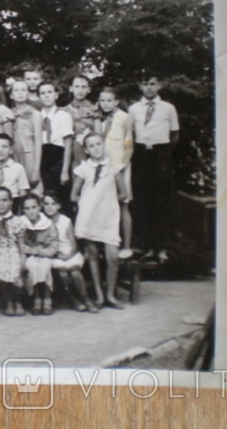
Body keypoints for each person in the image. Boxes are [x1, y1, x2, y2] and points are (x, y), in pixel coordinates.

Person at [71, 132, 128, 309]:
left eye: (98, 144)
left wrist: (108, 202)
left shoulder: (113, 166)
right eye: (91, 146)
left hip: (108, 217)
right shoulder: (83, 168)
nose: (96, 148)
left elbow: (124, 193)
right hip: (89, 217)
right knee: (93, 255)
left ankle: (111, 294)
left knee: (112, 257)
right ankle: (99, 295)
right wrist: (89, 202)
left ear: (104, 145)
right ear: (86, 150)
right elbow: (74, 195)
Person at [128, 74, 179, 263]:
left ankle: (161, 248)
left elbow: (175, 135)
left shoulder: (168, 108)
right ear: (140, 87)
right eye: (145, 84)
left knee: (161, 201)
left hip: (161, 154)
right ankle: (146, 246)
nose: (149, 88)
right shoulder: (133, 109)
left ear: (159, 85)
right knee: (143, 200)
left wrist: (162, 152)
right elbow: (130, 134)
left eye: (152, 84)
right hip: (141, 155)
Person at [43, 191, 97, 313]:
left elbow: (74, 244)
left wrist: (69, 255)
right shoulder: (43, 222)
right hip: (55, 255)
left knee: (75, 274)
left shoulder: (65, 221)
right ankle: (72, 299)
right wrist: (56, 255)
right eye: (46, 204)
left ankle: (86, 298)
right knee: (63, 275)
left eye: (53, 203)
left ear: (59, 206)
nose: (49, 206)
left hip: (70, 253)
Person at [97, 87, 134, 254]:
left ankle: (126, 246)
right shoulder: (98, 118)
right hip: (103, 167)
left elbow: (129, 145)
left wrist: (121, 166)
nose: (105, 104)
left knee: (123, 205)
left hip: (120, 167)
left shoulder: (124, 118)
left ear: (116, 101)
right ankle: (105, 246)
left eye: (109, 100)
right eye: (102, 100)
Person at [0, 187, 26, 316]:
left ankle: (18, 301)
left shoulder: (17, 221)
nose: (1, 203)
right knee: (1, 270)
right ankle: (8, 301)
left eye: (5, 200)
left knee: (15, 269)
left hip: (13, 249)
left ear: (11, 201)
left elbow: (21, 244)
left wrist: (23, 258)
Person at [38, 81, 74, 213]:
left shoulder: (63, 115)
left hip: (58, 158)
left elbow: (68, 143)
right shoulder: (37, 116)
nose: (46, 96)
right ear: (39, 97)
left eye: (49, 92)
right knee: (45, 197)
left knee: (60, 198)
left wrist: (64, 170)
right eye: (43, 93)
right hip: (42, 158)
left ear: (56, 95)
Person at [19, 194, 58, 315]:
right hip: (28, 256)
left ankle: (47, 298)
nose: (31, 211)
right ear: (23, 210)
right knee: (32, 266)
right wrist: (27, 251)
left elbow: (53, 247)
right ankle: (36, 298)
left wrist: (38, 251)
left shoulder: (48, 224)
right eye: (27, 208)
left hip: (45, 254)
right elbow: (21, 245)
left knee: (45, 266)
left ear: (40, 207)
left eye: (34, 207)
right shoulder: (21, 224)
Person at [11, 79, 43, 193]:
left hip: (29, 155)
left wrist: (36, 169)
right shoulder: (9, 114)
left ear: (28, 94)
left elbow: (38, 142)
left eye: (23, 90)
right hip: (13, 156)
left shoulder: (35, 114)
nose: (20, 93)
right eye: (16, 90)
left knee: (33, 189)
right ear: (11, 95)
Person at [64, 75, 99, 169]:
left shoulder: (94, 109)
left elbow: (99, 132)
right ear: (71, 89)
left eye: (83, 87)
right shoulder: (65, 110)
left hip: (91, 152)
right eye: (77, 86)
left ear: (89, 89)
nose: (80, 90)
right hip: (72, 155)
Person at [0, 134, 30, 212]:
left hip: (13, 203)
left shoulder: (18, 168)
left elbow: (23, 193)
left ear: (11, 150)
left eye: (4, 147)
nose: (0, 150)